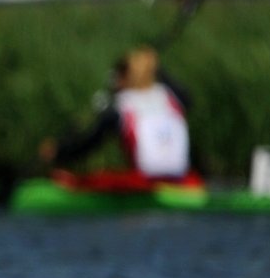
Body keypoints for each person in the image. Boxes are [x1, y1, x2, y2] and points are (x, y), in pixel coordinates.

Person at [39, 46, 203, 192]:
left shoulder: (121, 108)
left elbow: (88, 144)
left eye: (116, 76)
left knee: (95, 178)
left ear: (125, 77)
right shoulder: (173, 98)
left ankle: (71, 183)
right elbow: (188, 98)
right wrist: (158, 68)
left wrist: (59, 152)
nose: (113, 81)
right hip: (183, 182)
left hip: (144, 184)